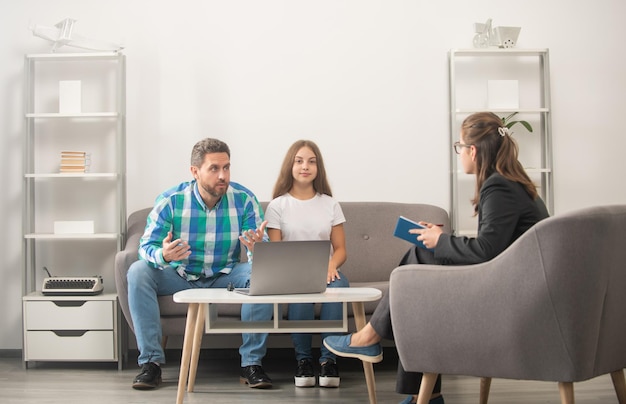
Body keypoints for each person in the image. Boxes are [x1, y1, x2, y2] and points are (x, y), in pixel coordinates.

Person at [323, 112, 550, 404]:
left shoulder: (498, 186)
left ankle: (370, 338)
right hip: (515, 283)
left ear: (473, 151)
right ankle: (426, 393)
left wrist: (440, 242)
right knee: (420, 270)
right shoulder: (510, 182)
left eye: (459, 147)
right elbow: (494, 247)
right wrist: (439, 240)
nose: (459, 154)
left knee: (419, 270)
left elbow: (486, 252)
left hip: (510, 295)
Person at [127, 138, 274, 390]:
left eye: (226, 168)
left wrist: (256, 249)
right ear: (195, 171)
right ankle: (150, 364)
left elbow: (261, 246)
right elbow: (145, 247)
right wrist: (164, 255)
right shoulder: (170, 200)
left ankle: (251, 364)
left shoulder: (244, 199)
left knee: (262, 273)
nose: (223, 176)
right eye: (214, 169)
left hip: (225, 275)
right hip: (181, 275)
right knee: (138, 271)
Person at [265, 140, 349, 388]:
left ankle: (328, 360)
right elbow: (276, 251)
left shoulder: (330, 204)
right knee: (299, 291)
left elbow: (341, 249)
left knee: (338, 287)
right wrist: (296, 273)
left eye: (312, 161)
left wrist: (331, 265)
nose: (305, 166)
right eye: (299, 161)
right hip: (292, 274)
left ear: (318, 167)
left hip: (327, 271)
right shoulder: (277, 206)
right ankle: (303, 361)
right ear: (290, 166)